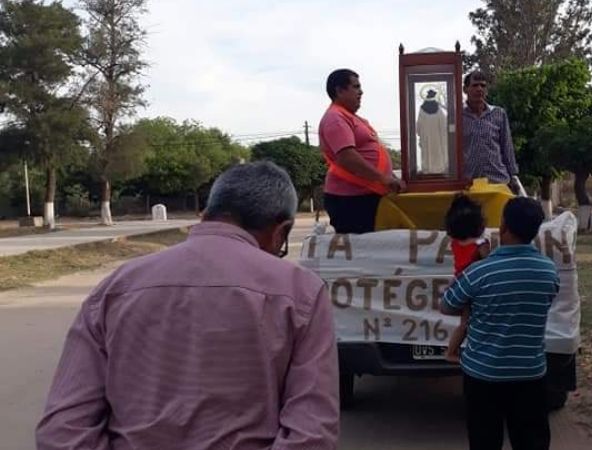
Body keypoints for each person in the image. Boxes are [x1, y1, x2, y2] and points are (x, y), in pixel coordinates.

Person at [36, 162, 339, 450]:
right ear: (281, 231)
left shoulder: (117, 287)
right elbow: (311, 432)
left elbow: (64, 429)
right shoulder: (301, 291)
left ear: (206, 213)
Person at [442, 197, 558, 450]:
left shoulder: (478, 272)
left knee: (484, 441)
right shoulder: (549, 271)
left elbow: (447, 305)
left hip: (483, 376)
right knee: (531, 442)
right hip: (530, 374)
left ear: (503, 225)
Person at [319, 68, 405, 234]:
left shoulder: (352, 117)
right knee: (362, 251)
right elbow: (347, 157)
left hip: (367, 195)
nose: (361, 92)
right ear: (339, 90)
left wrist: (391, 177)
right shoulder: (335, 118)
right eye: (356, 87)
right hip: (351, 199)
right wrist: (383, 178)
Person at [443, 194, 490, 363]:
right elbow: (488, 265)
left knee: (464, 323)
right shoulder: (481, 244)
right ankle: (452, 352)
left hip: (459, 284)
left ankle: (451, 351)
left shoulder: (455, 243)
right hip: (475, 287)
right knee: (471, 323)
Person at [462, 70, 520, 190]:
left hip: (498, 182)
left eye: (483, 85)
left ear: (487, 90)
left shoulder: (498, 114)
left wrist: (513, 176)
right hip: (470, 185)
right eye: (475, 85)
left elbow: (507, 147)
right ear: (465, 89)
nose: (479, 89)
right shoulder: (458, 117)